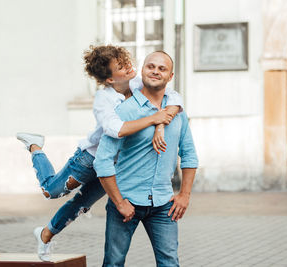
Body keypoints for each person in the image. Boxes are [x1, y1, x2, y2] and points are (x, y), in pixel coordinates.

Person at [16, 45, 183, 261]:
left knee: (81, 205)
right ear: (111, 79)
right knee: (51, 191)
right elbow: (117, 130)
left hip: (114, 165)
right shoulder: (104, 100)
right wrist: (154, 119)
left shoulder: (137, 83)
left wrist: (161, 123)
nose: (129, 67)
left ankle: (45, 234)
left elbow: (174, 97)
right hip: (90, 159)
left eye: (127, 61)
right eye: (122, 67)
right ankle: (35, 147)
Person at [93, 51, 198, 267]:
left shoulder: (177, 112)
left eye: (162, 68)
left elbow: (189, 155)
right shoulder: (124, 111)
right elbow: (102, 161)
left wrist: (185, 195)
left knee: (170, 263)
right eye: (151, 66)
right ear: (142, 71)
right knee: (113, 263)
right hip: (127, 201)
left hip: (163, 204)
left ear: (171, 76)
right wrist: (119, 201)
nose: (155, 71)